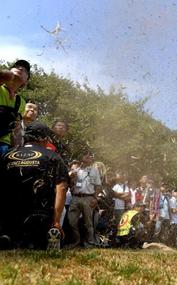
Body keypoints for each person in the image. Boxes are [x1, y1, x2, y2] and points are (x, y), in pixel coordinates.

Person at [0, 122, 68, 250]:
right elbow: (62, 187)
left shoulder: (6, 155)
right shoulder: (53, 156)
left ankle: (8, 236)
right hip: (39, 217)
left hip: (9, 215)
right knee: (38, 239)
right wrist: (57, 222)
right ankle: (46, 236)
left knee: (11, 235)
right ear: (44, 138)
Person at [67, 151, 102, 247]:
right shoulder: (77, 170)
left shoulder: (95, 170)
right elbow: (69, 179)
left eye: (89, 157)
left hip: (88, 198)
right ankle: (76, 241)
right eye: (86, 156)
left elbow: (98, 186)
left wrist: (95, 198)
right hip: (75, 198)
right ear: (81, 158)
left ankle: (89, 242)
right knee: (71, 221)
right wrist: (71, 179)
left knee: (88, 223)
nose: (88, 158)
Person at [0, 60, 30, 155]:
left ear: (26, 82)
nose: (20, 68)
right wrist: (8, 76)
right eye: (17, 66)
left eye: (25, 70)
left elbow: (16, 128)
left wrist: (17, 151)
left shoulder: (21, 102)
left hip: (4, 146)